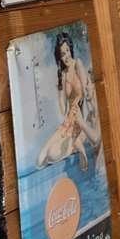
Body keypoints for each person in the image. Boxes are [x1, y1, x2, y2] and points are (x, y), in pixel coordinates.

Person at [36, 32, 100, 172]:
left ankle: (78, 144)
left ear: (70, 48)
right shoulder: (62, 75)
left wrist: (81, 118)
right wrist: (60, 84)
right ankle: (74, 144)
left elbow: (85, 91)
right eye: (62, 54)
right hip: (68, 122)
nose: (66, 56)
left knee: (52, 155)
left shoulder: (78, 64)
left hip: (80, 118)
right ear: (58, 57)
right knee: (40, 160)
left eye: (67, 51)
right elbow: (62, 105)